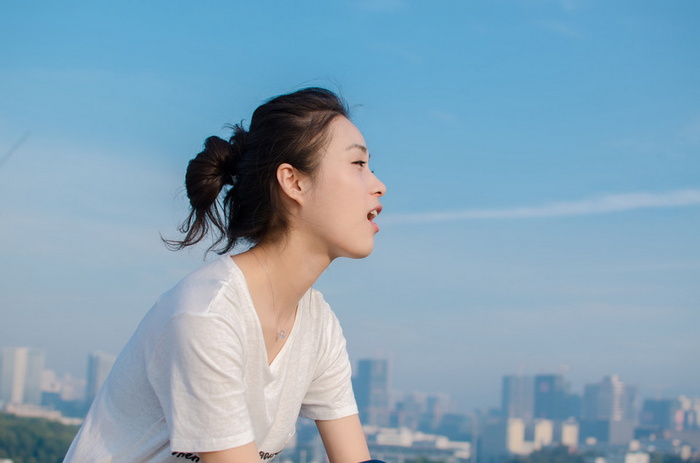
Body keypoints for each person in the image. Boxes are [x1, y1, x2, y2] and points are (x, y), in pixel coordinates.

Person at [64, 87, 386, 463]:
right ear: (294, 182)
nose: (378, 185)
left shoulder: (318, 324)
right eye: (358, 165)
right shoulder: (208, 315)